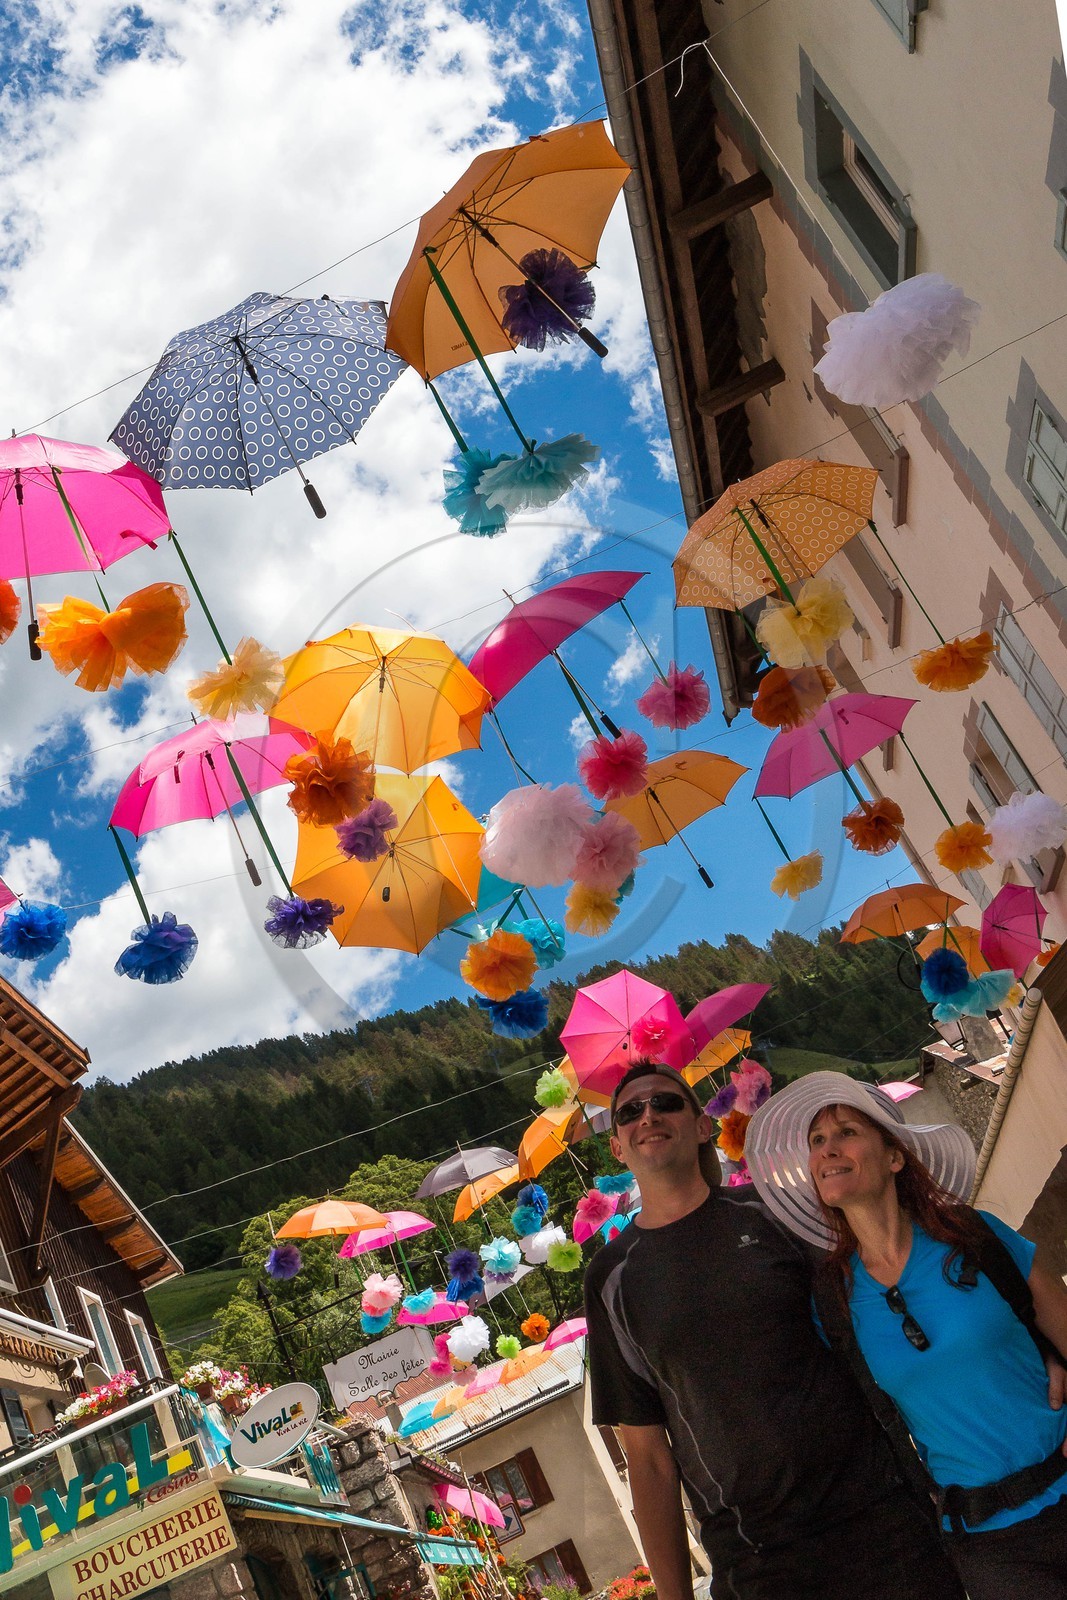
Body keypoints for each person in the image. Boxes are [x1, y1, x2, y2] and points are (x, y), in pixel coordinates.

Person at [583, 1059, 966, 1600]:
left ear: (703, 1127)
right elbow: (646, 1458)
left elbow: (883, 1312)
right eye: (629, 1112)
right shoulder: (611, 1278)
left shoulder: (775, 1213)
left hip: (880, 1517)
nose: (648, 1115)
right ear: (617, 1148)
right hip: (755, 1559)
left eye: (666, 1102)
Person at [746, 1070, 1067, 1599]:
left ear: (894, 1156)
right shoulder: (833, 1305)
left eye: (846, 1132)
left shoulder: (974, 1235)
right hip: (992, 1548)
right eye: (817, 1141)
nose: (827, 1150)